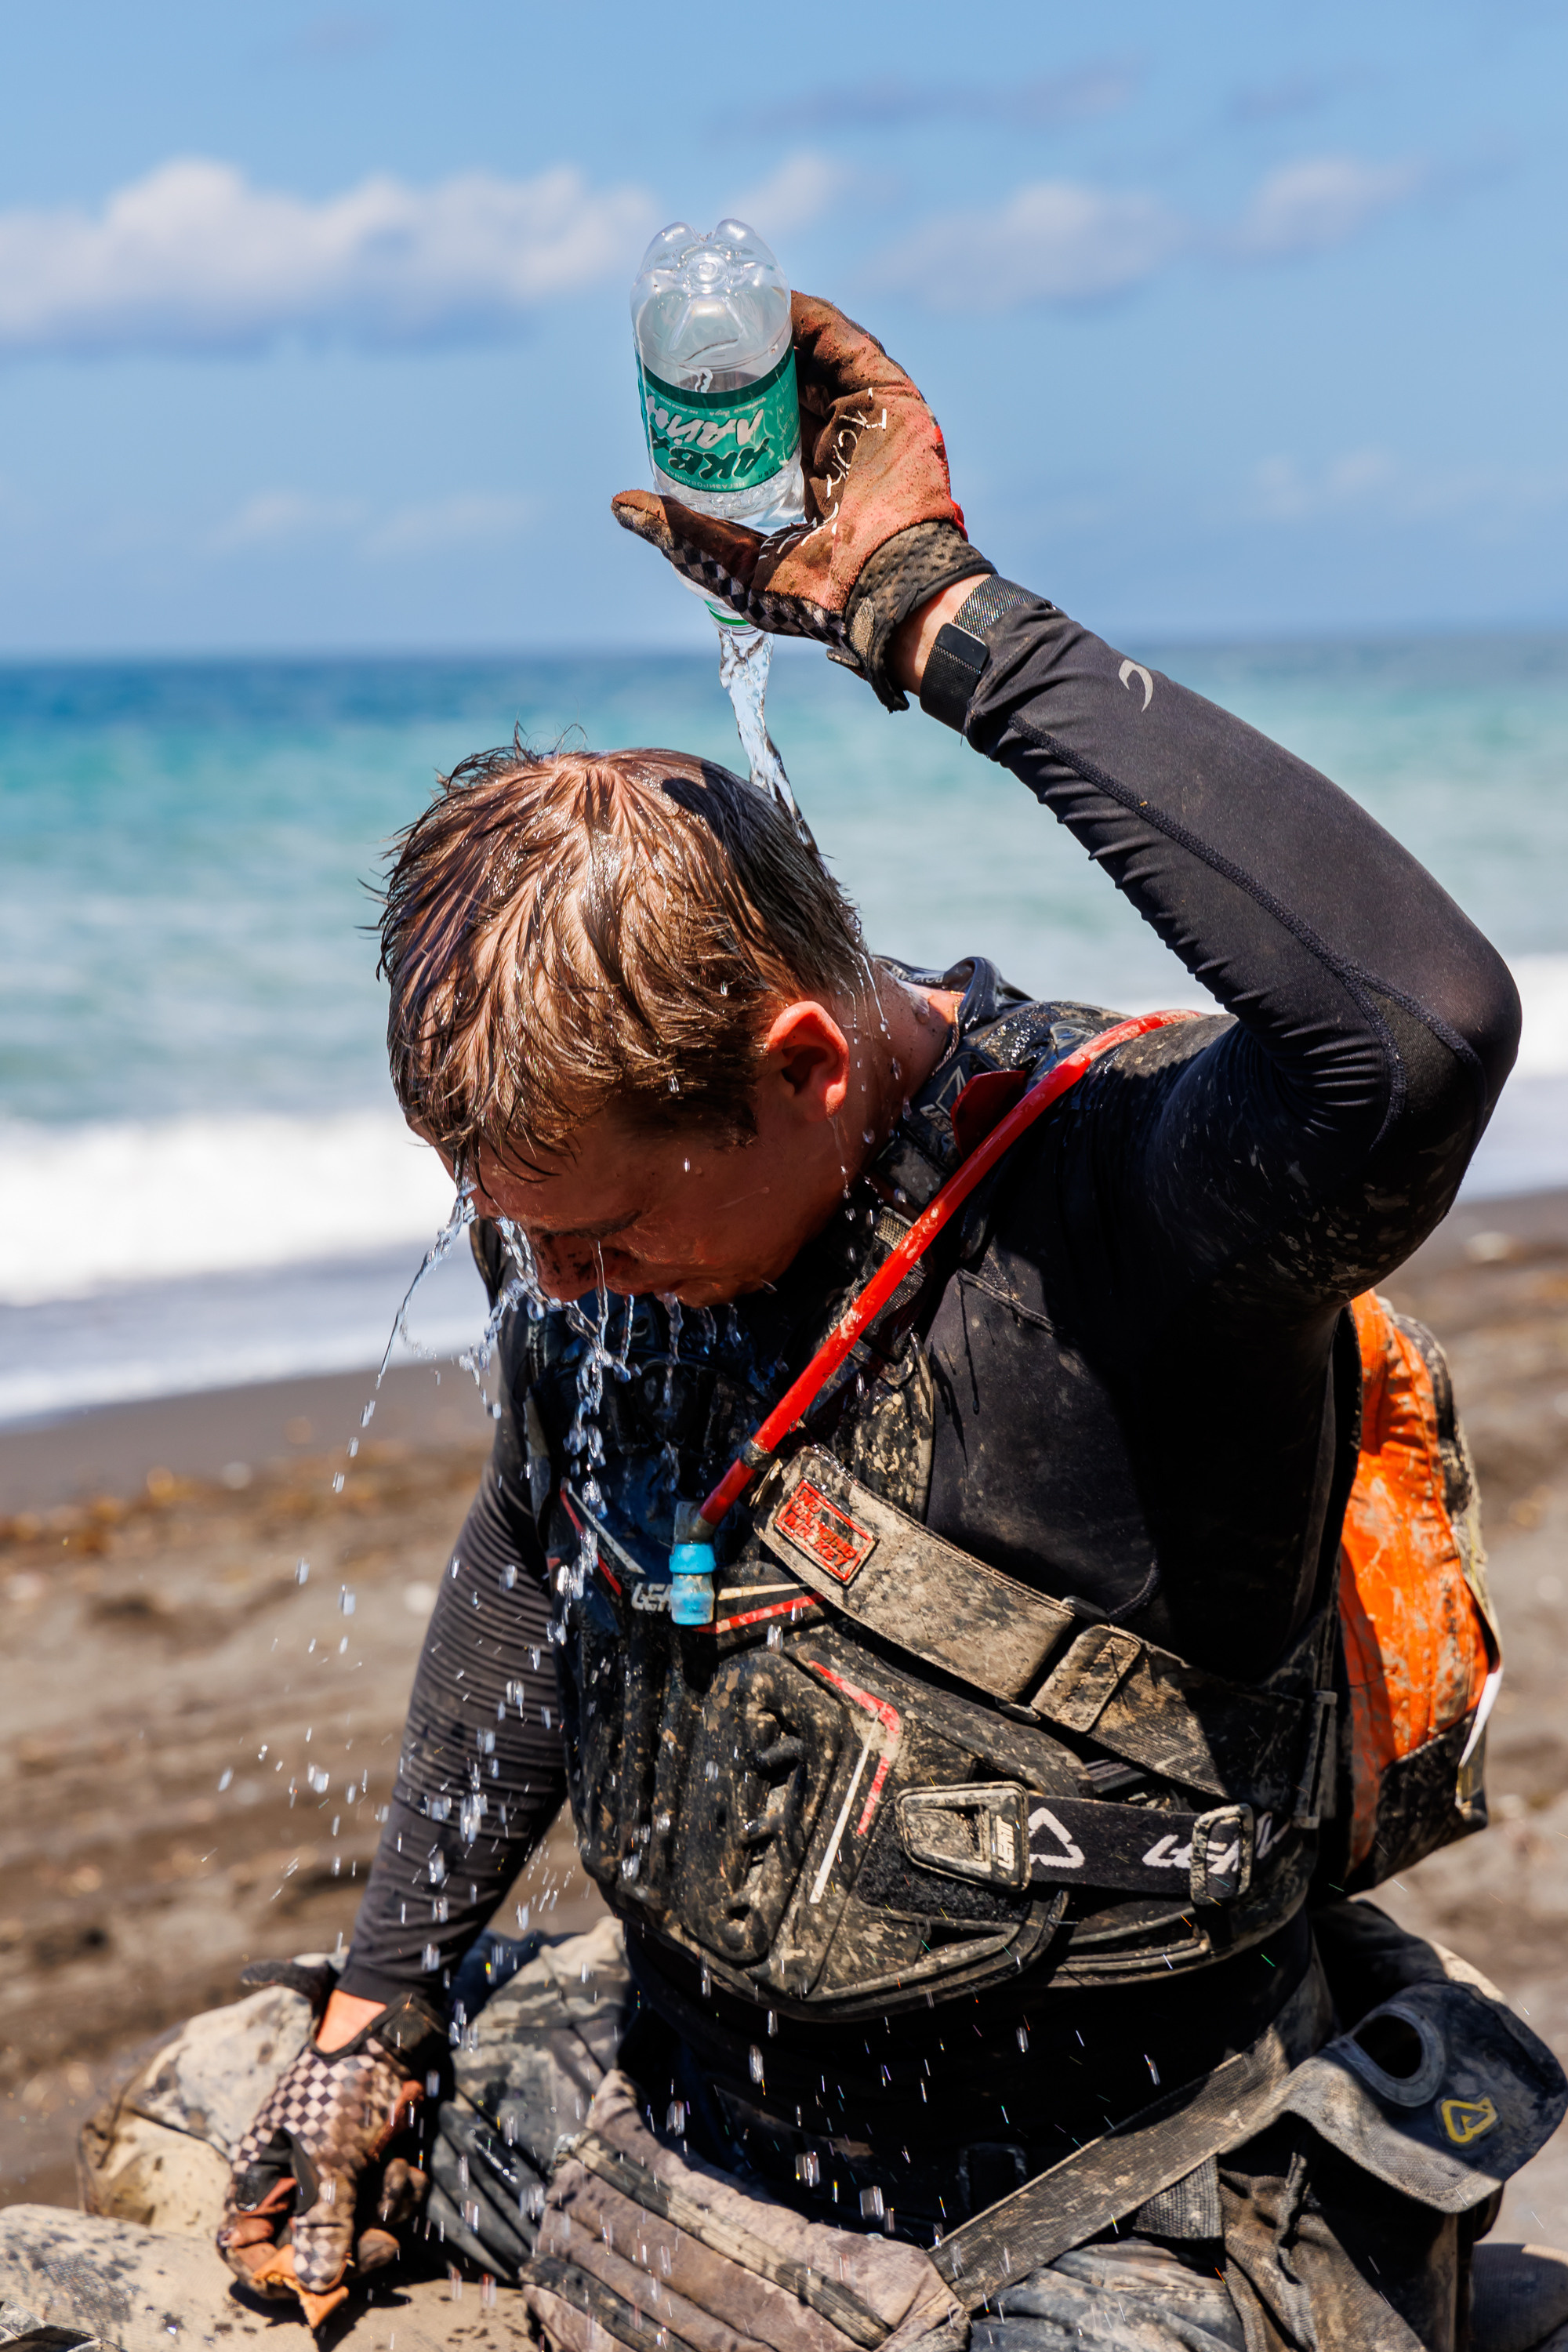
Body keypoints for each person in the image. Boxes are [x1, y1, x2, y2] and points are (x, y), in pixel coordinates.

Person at [216, 296, 1563, 2351]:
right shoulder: (603, 1237)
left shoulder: (1138, 1219)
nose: (555, 1287)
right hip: (676, 2102)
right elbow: (539, 1543)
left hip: (1098, 2199)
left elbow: (1417, 1031)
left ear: (802, 1066)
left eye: (593, 1233)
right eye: (517, 1232)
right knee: (217, 2101)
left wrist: (938, 613)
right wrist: (382, 2010)